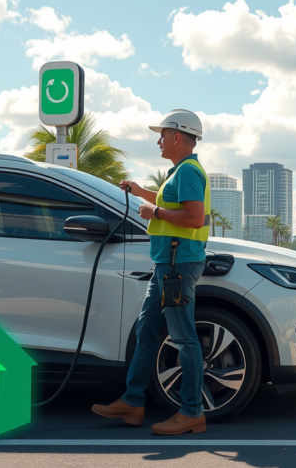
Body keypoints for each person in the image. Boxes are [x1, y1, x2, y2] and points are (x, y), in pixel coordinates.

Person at [92, 109, 211, 435]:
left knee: (184, 338)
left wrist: (153, 210)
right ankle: (132, 403)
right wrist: (140, 192)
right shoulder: (178, 173)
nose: (158, 140)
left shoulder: (188, 172)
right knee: (146, 332)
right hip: (166, 266)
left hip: (177, 267)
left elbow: (194, 217)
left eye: (161, 135)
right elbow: (171, 205)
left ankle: (192, 412)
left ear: (176, 136)